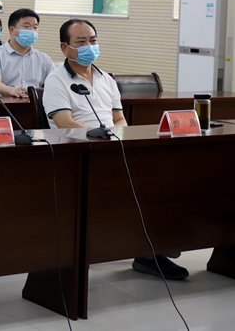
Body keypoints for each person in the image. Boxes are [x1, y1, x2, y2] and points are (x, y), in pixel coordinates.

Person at [43, 18, 189, 281]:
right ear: (65, 48)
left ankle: (152, 250)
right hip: (77, 153)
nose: (89, 46)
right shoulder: (56, 80)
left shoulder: (106, 79)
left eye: (93, 40)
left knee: (161, 176)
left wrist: (116, 136)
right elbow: (64, 123)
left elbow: (120, 119)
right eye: (81, 42)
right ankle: (145, 247)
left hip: (112, 147)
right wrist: (99, 137)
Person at [0, 8, 55, 98]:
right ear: (12, 30)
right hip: (4, 103)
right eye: (26, 26)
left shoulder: (44, 59)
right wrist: (12, 91)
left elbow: (56, 83)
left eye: (35, 27)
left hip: (34, 104)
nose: (32, 31)